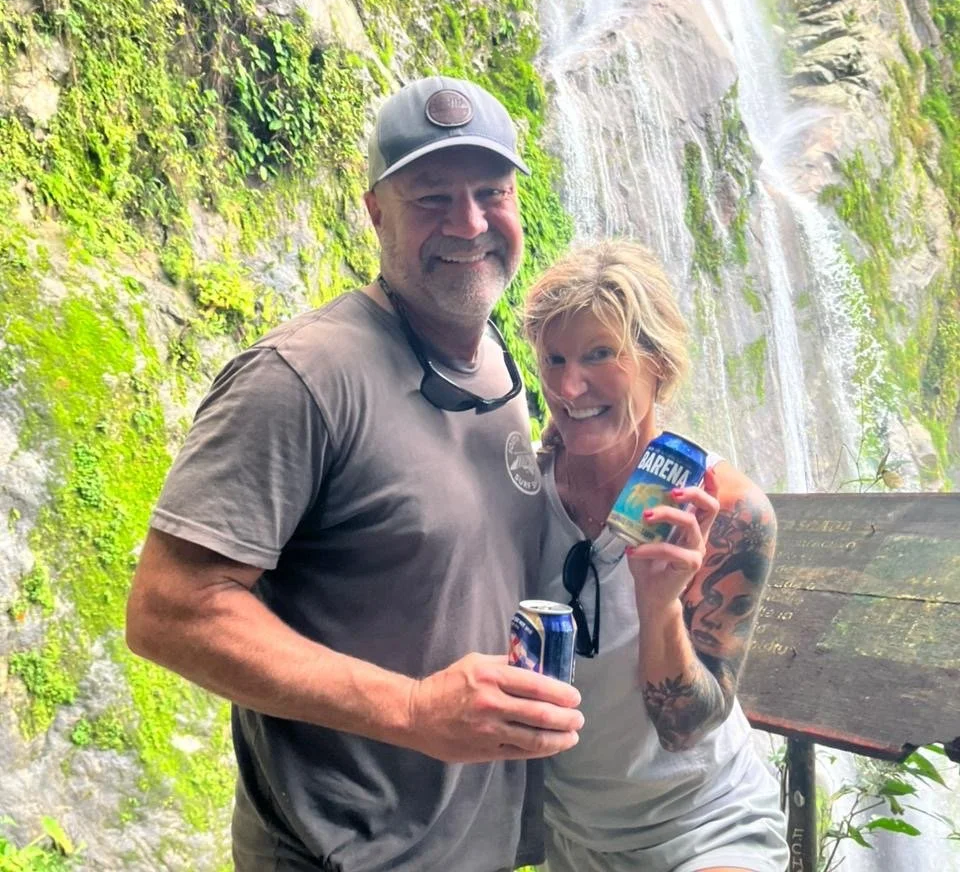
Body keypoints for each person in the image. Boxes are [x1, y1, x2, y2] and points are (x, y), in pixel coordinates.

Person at [125, 75, 584, 872]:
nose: (470, 222)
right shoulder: (302, 378)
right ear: (375, 211)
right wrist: (413, 709)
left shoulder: (500, 368)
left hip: (471, 850)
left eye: (491, 192)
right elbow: (169, 609)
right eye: (432, 198)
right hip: (337, 854)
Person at [523, 240, 789, 872]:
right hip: (573, 833)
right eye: (554, 358)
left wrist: (659, 603)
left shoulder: (729, 511)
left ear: (659, 366)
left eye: (598, 354)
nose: (568, 386)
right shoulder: (525, 490)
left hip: (707, 823)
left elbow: (685, 729)